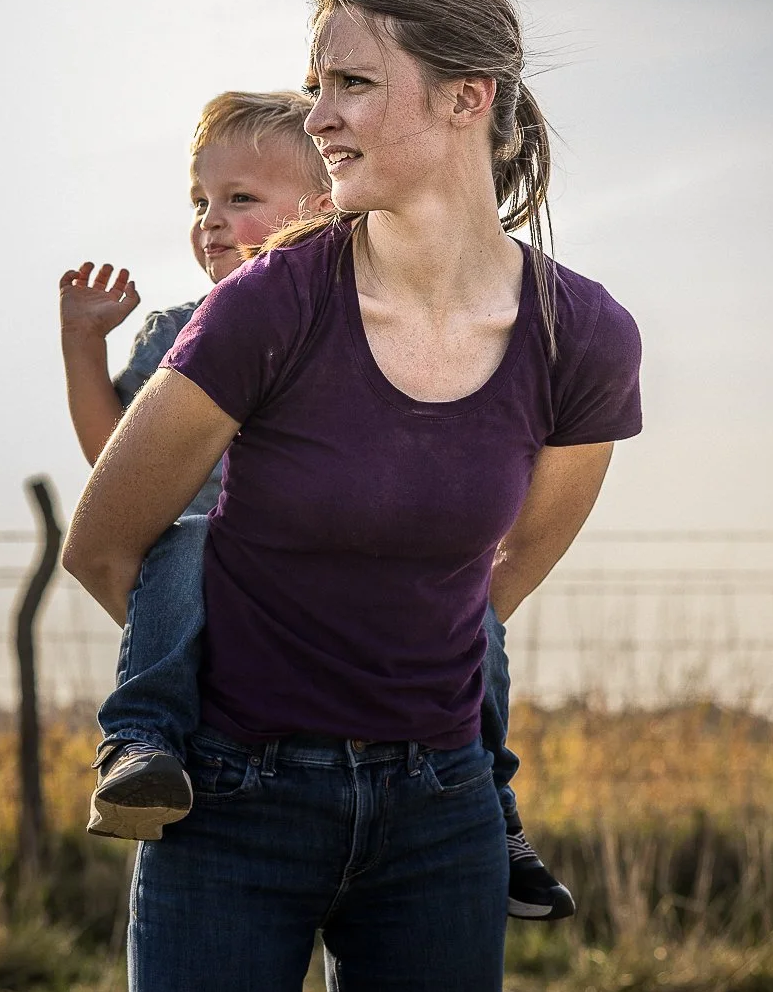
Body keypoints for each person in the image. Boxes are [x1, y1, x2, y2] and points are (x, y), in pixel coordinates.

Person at [63, 0, 643, 992]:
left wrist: (393, 674)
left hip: (444, 823)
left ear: (469, 98)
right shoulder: (266, 308)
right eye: (317, 82)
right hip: (229, 810)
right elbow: (105, 544)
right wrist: (257, 681)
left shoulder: (586, 338)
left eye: (354, 84)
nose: (319, 116)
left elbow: (502, 574)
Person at [62, 89, 579, 923]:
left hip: (343, 598)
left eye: (239, 199)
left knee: (468, 602)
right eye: (201, 201)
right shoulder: (175, 331)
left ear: (321, 205)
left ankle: (492, 800)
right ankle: (142, 741)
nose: (210, 222)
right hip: (214, 593)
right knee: (189, 540)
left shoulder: (359, 328)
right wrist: (82, 342)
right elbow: (111, 469)